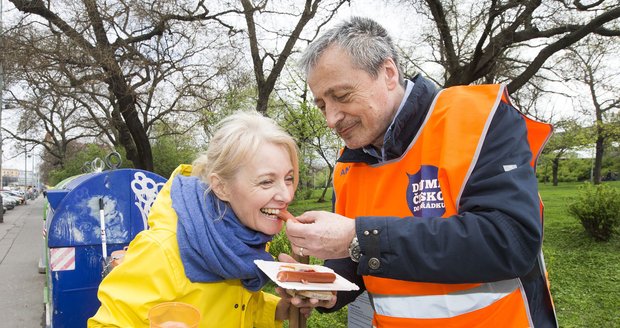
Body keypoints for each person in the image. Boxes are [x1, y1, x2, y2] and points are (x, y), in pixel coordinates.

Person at [286, 17, 558, 327]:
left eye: (342, 96)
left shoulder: (477, 119)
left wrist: (357, 236)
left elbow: (510, 240)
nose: (331, 118)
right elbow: (357, 258)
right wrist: (326, 287)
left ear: (388, 73)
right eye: (322, 105)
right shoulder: (347, 164)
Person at [88, 111, 330, 328]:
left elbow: (234, 304)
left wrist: (278, 310)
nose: (287, 195)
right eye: (266, 181)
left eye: (288, 178)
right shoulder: (162, 249)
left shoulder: (239, 236)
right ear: (221, 187)